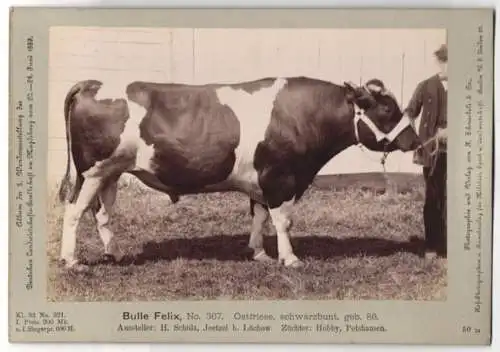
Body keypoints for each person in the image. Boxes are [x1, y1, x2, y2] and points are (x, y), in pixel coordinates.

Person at [404, 44, 448, 259]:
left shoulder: (469, 88)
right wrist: (416, 138)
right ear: (440, 62)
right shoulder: (426, 86)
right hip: (432, 153)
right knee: (433, 197)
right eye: (447, 61)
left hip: (461, 154)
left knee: (453, 199)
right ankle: (431, 245)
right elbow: (410, 112)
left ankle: (448, 244)